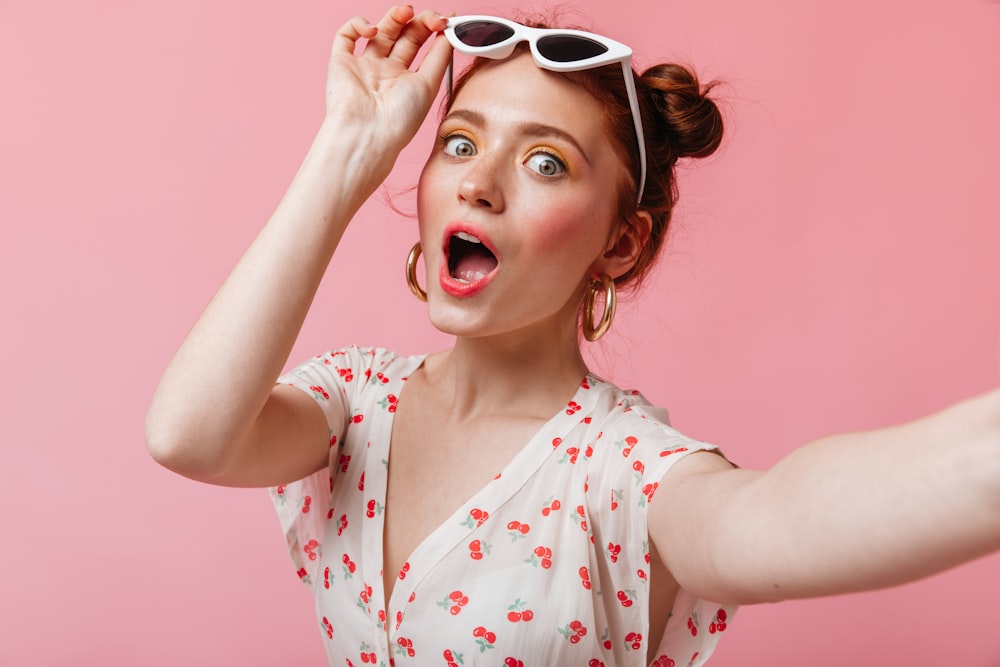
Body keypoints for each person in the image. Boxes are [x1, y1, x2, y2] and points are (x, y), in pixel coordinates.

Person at [144, 5, 1000, 666]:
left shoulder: (620, 470)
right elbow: (189, 435)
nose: (477, 183)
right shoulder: (355, 405)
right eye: (457, 142)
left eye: (545, 161)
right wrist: (349, 147)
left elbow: (767, 518)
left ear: (620, 241)